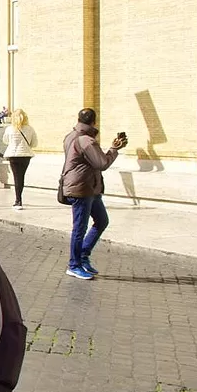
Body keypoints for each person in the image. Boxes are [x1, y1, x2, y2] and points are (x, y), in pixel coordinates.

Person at [62, 108, 127, 280]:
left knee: (102, 220)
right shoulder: (87, 141)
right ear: (94, 122)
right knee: (79, 228)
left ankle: (83, 255)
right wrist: (114, 149)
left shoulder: (70, 136)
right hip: (81, 188)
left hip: (89, 187)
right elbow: (101, 163)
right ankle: (74, 265)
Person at [2, 108, 38, 210]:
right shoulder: (30, 129)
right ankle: (19, 199)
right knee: (21, 177)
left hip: (13, 155)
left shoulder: (10, 129)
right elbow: (34, 143)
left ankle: (18, 200)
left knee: (16, 177)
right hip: (25, 155)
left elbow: (5, 141)